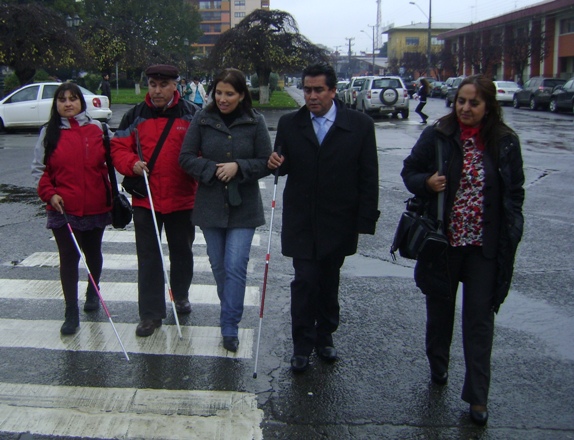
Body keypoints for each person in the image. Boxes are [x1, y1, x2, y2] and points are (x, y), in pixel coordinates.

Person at [401, 74, 525, 425]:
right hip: (444, 244)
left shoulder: (504, 142)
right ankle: (438, 366)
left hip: (484, 248)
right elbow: (409, 171)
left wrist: (512, 229)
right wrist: (425, 183)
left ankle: (477, 398)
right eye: (461, 101)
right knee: (439, 313)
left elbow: (515, 192)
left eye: (474, 103)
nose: (466, 108)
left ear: (488, 107)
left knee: (479, 321)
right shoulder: (438, 135)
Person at [267, 63, 380, 372]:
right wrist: (275, 161)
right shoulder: (291, 124)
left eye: (318, 90)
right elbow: (281, 165)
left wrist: (365, 219)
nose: (312, 96)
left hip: (339, 219)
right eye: (307, 90)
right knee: (304, 280)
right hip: (302, 219)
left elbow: (369, 176)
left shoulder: (359, 125)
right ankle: (301, 345)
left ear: (333, 91)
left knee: (329, 279)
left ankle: (325, 335)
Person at [179, 68, 272, 352]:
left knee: (235, 266)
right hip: (210, 207)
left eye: (229, 93)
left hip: (243, 207)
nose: (222, 98)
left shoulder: (255, 122)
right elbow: (185, 158)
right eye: (219, 92)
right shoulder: (202, 118)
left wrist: (239, 167)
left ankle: (229, 325)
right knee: (219, 267)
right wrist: (211, 169)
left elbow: (266, 161)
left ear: (241, 95)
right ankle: (229, 307)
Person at [111, 64, 199, 337]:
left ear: (176, 85)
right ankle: (150, 314)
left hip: (183, 198)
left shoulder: (192, 114)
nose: (157, 90)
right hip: (145, 199)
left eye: (163, 85)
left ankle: (181, 294)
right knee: (149, 257)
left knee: (182, 252)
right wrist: (131, 163)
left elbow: (205, 148)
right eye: (152, 84)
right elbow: (117, 148)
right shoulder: (134, 116)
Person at [32, 82, 113, 335]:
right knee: (68, 257)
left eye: (73, 99)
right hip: (62, 207)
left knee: (93, 253)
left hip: (96, 204)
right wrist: (50, 193)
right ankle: (71, 311)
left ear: (81, 102)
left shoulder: (98, 128)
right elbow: (39, 170)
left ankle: (93, 290)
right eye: (62, 99)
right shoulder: (49, 132)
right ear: (56, 104)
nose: (68, 104)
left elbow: (115, 159)